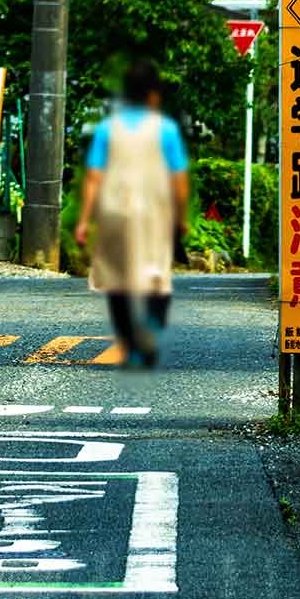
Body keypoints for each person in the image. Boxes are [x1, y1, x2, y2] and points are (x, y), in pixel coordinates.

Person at [72, 59, 190, 368]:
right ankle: (149, 327)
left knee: (117, 281)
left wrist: (84, 220)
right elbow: (178, 180)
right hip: (155, 212)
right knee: (155, 276)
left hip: (114, 211)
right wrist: (181, 218)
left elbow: (94, 177)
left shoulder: (107, 129)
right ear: (153, 95)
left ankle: (133, 346)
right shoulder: (165, 130)